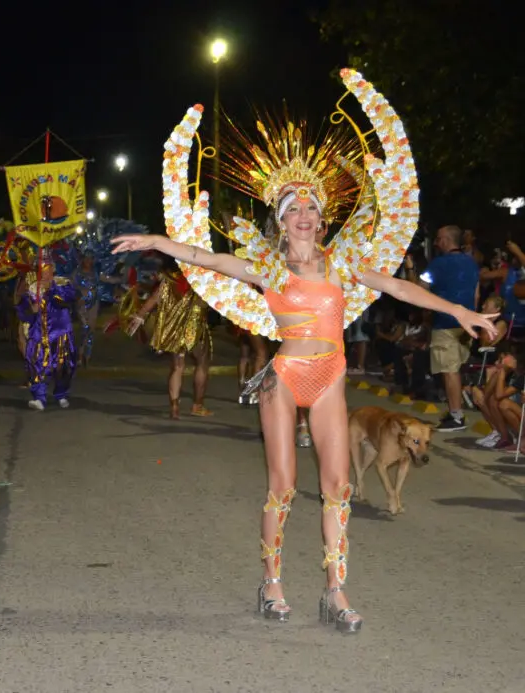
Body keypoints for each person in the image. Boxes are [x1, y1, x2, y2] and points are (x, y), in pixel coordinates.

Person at [111, 69, 497, 634]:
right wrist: (154, 242)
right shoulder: (267, 266)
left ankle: (335, 592)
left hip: (332, 374)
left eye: (313, 208)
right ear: (281, 219)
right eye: (296, 209)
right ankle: (271, 582)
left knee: (338, 485)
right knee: (283, 484)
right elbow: (207, 258)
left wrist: (458, 312)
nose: (307, 215)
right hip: (287, 376)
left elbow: (398, 287)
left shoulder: (342, 263)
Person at [402, 226, 480, 432]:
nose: (436, 243)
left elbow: (417, 290)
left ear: (446, 240)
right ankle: (455, 410)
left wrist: (410, 268)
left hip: (446, 323)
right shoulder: (472, 263)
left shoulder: (438, 264)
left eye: (437, 239)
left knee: (449, 371)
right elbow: (476, 294)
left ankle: (457, 416)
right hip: (467, 323)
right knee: (455, 368)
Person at [128, 267, 213, 418]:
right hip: (195, 329)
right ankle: (197, 405)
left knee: (177, 367)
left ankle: (174, 407)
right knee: (202, 363)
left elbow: (154, 298)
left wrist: (140, 316)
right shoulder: (202, 279)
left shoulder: (169, 279)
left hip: (175, 330)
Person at [17, 259, 77, 410]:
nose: (45, 275)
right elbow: (29, 310)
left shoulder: (62, 283)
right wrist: (32, 301)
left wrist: (51, 289)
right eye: (42, 272)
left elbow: (67, 299)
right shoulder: (33, 286)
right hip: (40, 333)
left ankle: (61, 394)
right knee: (37, 364)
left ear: (53, 271)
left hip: (59, 332)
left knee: (62, 366)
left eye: (47, 271)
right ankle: (39, 398)